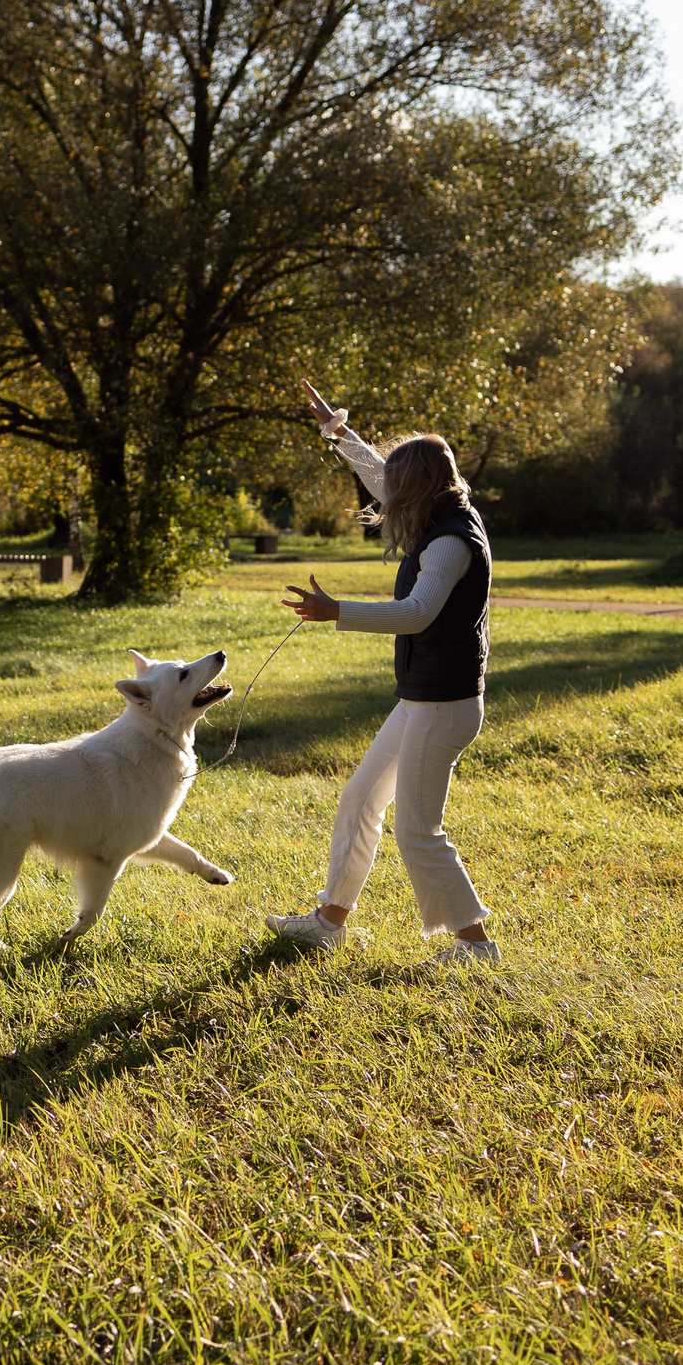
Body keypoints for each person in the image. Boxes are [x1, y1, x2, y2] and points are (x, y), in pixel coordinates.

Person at [263, 381, 499, 966]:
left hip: (444, 706)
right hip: (424, 698)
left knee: (418, 831)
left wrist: (336, 611)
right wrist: (340, 435)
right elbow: (377, 474)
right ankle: (328, 921)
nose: (385, 495)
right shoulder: (443, 511)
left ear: (415, 488)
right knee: (360, 799)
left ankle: (475, 947)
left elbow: (418, 613)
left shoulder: (450, 542)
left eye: (397, 486)